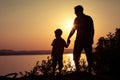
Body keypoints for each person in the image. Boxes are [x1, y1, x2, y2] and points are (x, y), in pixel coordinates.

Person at [67, 5, 94, 73]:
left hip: (83, 40)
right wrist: (69, 37)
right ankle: (81, 71)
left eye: (75, 11)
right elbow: (74, 29)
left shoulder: (85, 18)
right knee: (80, 56)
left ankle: (85, 71)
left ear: (79, 11)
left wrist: (69, 37)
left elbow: (92, 29)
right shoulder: (83, 18)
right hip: (83, 40)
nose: (74, 13)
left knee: (85, 55)